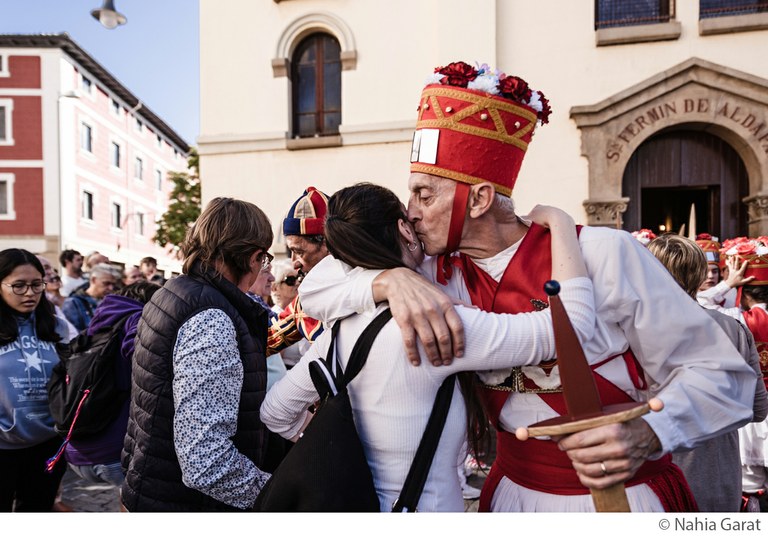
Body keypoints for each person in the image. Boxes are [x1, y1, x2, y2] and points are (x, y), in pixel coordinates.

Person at [299, 60, 756, 512]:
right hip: (512, 497)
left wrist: (650, 434)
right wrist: (389, 279)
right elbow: (315, 285)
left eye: (425, 194)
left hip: (616, 500)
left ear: (478, 199)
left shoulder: (600, 253)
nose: (411, 212)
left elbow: (724, 376)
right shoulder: (435, 271)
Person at [261, 183, 595, 511]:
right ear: (404, 230)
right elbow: (570, 329)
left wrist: (337, 451)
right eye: (410, 214)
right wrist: (560, 224)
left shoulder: (341, 328)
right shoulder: (434, 324)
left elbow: (276, 412)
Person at [121, 197, 274, 511]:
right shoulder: (211, 317)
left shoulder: (174, 291)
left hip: (153, 488)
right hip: (183, 505)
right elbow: (205, 461)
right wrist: (278, 497)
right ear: (253, 257)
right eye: (264, 259)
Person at [646, 234, 768, 511]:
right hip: (717, 479)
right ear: (701, 274)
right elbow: (757, 408)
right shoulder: (733, 329)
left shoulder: (629, 332)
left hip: (656, 480)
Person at [64, 280, 161, 488]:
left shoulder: (98, 323)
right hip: (114, 453)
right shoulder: (137, 318)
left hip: (76, 451)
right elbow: (147, 360)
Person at [0, 248, 71, 511]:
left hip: (47, 444)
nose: (29, 293)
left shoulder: (56, 325)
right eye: (18, 286)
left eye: (36, 285)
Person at [267, 187, 330, 355]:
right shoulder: (302, 304)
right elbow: (266, 340)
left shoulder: (368, 286)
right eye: (291, 252)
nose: (294, 263)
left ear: (328, 246)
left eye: (300, 252)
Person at [61, 263, 121, 332]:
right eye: (106, 283)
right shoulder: (73, 303)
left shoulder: (113, 301)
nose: (111, 288)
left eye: (113, 284)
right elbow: (72, 335)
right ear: (93, 280)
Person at [269, 260, 307, 369]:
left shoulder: (303, 313)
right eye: (290, 280)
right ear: (275, 288)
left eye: (298, 278)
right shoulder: (272, 318)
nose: (297, 283)